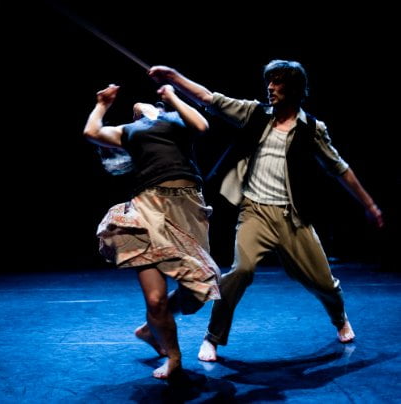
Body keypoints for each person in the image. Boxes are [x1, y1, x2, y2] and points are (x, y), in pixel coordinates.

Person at [148, 61, 384, 362]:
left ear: (294, 89)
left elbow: (340, 169)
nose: (270, 87)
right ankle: (212, 337)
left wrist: (369, 205)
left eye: (277, 82)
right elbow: (209, 99)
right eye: (269, 81)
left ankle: (340, 318)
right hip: (255, 212)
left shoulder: (312, 129)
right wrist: (173, 77)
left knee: (323, 282)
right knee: (241, 271)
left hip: (292, 218)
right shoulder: (255, 113)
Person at [83, 83, 221, 378]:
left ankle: (150, 329)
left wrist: (172, 95)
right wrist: (102, 104)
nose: (139, 106)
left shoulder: (177, 122)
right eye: (135, 111)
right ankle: (174, 356)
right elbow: (92, 132)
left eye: (147, 105)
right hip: (148, 209)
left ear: (161, 109)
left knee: (199, 288)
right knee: (156, 299)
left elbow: (202, 125)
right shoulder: (131, 132)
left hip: (187, 209)